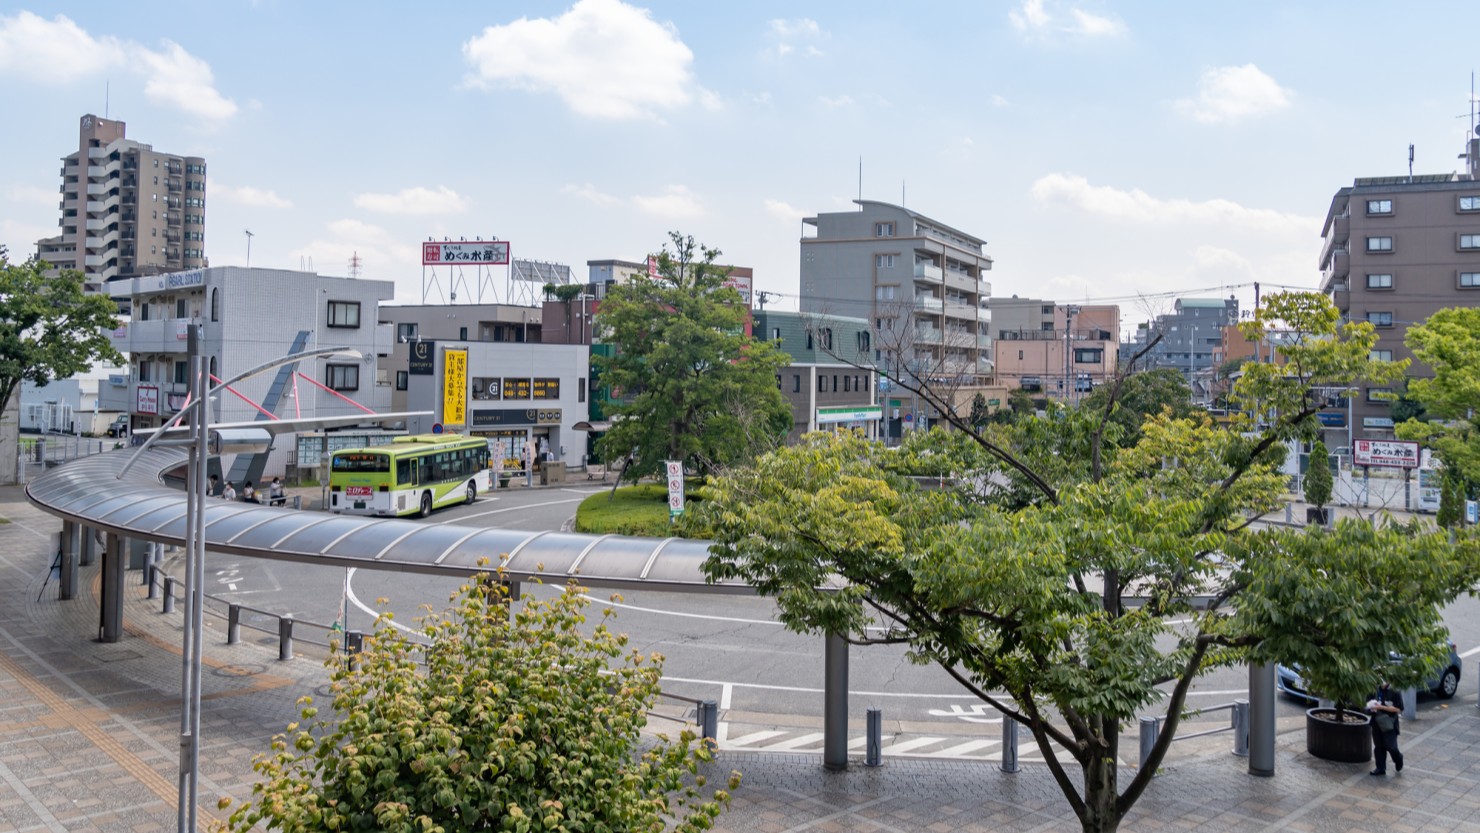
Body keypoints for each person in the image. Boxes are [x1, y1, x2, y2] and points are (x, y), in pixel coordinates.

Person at [1368, 680, 1404, 775]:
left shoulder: (1394, 691)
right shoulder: (1374, 690)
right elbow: (1367, 704)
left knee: (1391, 746)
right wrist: (1370, 707)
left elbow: (1399, 708)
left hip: (1389, 723)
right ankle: (1380, 768)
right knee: (1378, 745)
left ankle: (1398, 758)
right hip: (1376, 721)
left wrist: (1381, 707)